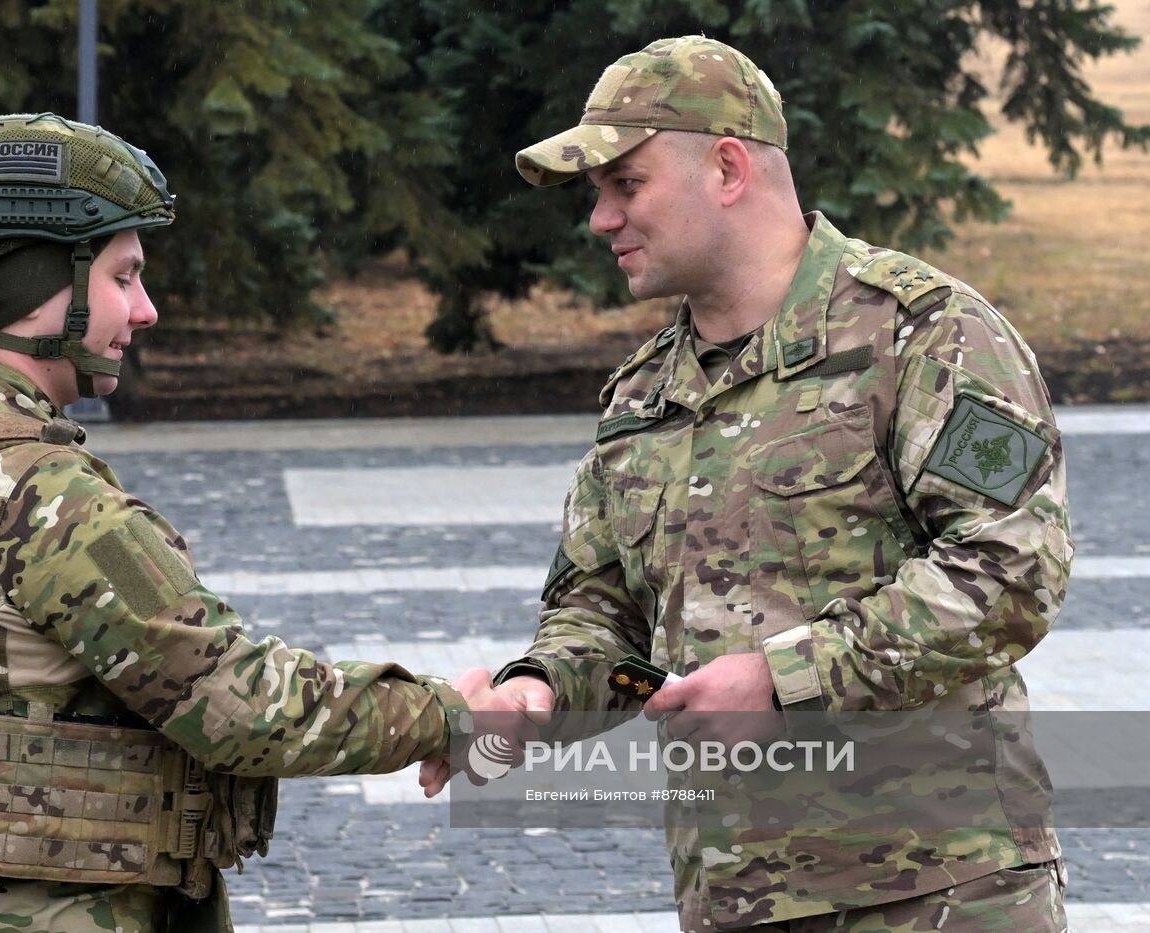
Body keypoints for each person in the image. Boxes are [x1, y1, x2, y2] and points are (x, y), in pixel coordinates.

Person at [422, 36, 1073, 931]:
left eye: (626, 185)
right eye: (596, 194)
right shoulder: (644, 394)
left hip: (936, 892)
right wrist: (537, 693)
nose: (600, 220)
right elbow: (603, 612)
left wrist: (784, 680)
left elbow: (1011, 571)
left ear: (727, 168)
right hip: (734, 896)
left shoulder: (928, 335)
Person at [0, 112, 518, 933]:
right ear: (37, 287)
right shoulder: (39, 496)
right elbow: (243, 706)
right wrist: (449, 712)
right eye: (123, 277)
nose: (145, 310)